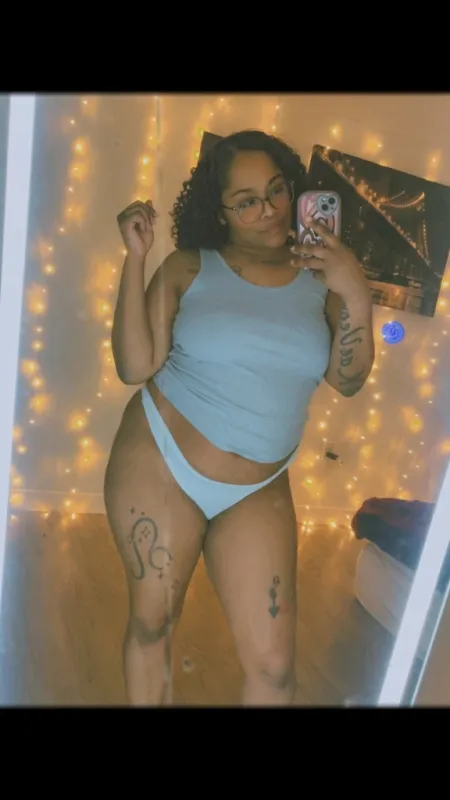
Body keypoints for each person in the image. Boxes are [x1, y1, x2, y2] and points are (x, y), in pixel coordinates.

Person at [104, 129, 375, 706]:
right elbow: (134, 366)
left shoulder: (322, 275)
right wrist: (135, 258)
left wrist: (356, 293)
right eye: (246, 201)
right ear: (219, 211)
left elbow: (347, 380)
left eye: (277, 189)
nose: (269, 209)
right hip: (162, 462)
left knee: (274, 670)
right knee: (153, 624)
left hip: (260, 485)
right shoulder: (189, 267)